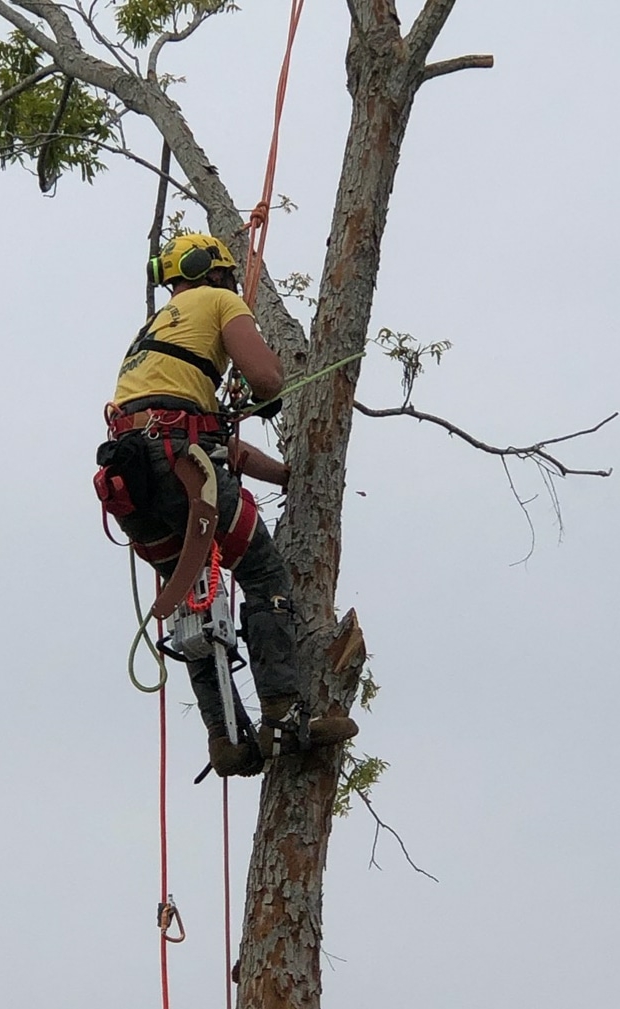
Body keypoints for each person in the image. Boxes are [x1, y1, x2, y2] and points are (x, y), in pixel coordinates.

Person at [99, 233, 357, 776]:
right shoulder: (220, 302)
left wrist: (285, 475)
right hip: (182, 468)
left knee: (194, 599)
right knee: (263, 575)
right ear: (217, 274)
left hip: (135, 484)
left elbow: (219, 443)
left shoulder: (151, 339)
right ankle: (284, 719)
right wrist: (269, 391)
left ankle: (227, 740)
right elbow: (267, 379)